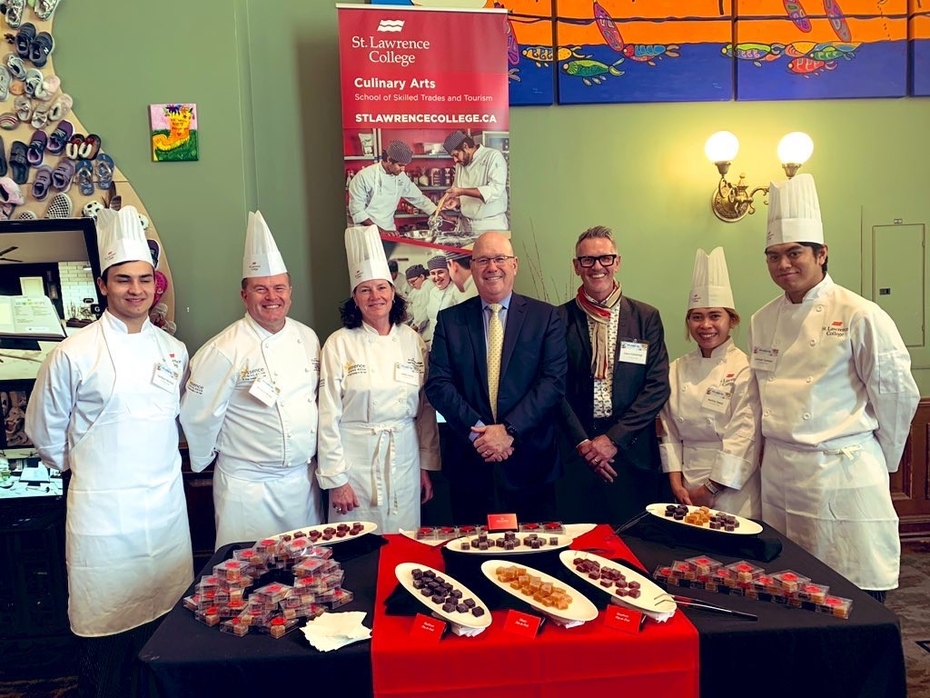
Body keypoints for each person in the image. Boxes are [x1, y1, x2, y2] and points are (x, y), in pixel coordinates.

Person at [25, 206, 192, 698]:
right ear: (104, 285)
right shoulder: (73, 354)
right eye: (123, 280)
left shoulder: (173, 351)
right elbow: (45, 434)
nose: (135, 290)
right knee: (105, 636)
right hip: (102, 517)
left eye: (144, 279)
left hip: (164, 513)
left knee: (165, 632)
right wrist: (94, 475)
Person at [750, 173, 919, 600]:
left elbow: (898, 395)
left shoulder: (861, 314)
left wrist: (880, 456)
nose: (783, 264)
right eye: (773, 256)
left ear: (822, 253)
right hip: (782, 474)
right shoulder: (761, 319)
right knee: (790, 590)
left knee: (851, 593)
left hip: (839, 471)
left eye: (794, 253)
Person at [180, 211, 323, 549]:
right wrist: (203, 460)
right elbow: (198, 413)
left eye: (278, 288)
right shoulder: (224, 348)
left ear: (291, 292)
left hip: (302, 485)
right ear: (244, 295)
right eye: (260, 289)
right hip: (248, 489)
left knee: (306, 579)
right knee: (246, 581)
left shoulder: (308, 338)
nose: (271, 296)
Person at [425, 232, 566, 524]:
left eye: (500, 258)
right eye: (483, 260)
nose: (492, 267)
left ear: (514, 265)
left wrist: (509, 431)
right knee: (469, 558)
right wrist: (480, 431)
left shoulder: (546, 317)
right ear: (472, 267)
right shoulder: (450, 320)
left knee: (535, 558)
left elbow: (552, 383)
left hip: (531, 464)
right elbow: (438, 385)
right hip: (469, 462)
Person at [317, 225, 440, 532]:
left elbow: (424, 409)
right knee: (356, 546)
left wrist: (425, 466)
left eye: (382, 288)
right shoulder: (338, 343)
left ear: (393, 292)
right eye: (365, 289)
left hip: (405, 459)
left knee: (403, 542)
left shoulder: (413, 340)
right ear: (355, 298)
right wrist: (337, 480)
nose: (376, 297)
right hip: (355, 465)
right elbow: (327, 414)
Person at [558, 226, 670, 524]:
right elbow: (554, 388)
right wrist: (585, 443)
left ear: (617, 262)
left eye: (605, 258)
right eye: (588, 260)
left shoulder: (645, 317)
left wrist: (613, 439)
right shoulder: (557, 319)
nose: (597, 267)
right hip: (575, 453)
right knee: (577, 546)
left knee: (633, 547)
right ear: (576, 266)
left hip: (630, 452)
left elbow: (657, 387)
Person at [659, 247, 761, 518]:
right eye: (697, 317)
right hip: (685, 486)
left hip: (731, 489)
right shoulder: (676, 369)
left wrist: (711, 488)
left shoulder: (745, 368)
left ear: (731, 320)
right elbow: (668, 429)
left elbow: (744, 435)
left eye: (715, 315)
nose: (705, 325)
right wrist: (676, 482)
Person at [348, 139, 437, 233]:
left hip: (389, 230)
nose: (403, 169)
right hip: (366, 233)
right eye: (400, 165)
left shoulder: (401, 176)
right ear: (389, 160)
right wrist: (381, 231)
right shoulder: (364, 177)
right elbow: (357, 212)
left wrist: (440, 214)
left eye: (405, 166)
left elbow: (419, 199)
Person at [440, 130, 508, 234]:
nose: (455, 160)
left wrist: (461, 191)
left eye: (456, 155)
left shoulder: (492, 156)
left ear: (466, 146)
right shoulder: (460, 165)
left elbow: (495, 190)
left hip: (489, 226)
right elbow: (458, 190)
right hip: (466, 225)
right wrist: (457, 202)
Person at [422, 254, 458, 347]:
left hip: (454, 343)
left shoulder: (457, 290)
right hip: (435, 342)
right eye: (433, 273)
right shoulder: (432, 292)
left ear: (449, 272)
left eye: (440, 272)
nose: (436, 277)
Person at [404, 263, 431, 334]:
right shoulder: (417, 289)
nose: (412, 285)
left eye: (413, 281)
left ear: (422, 277)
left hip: (427, 331)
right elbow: (410, 309)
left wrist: (410, 330)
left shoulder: (426, 288)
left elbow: (422, 317)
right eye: (409, 283)